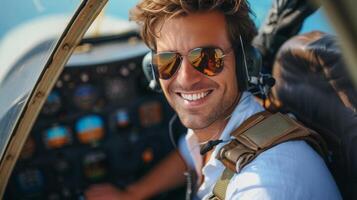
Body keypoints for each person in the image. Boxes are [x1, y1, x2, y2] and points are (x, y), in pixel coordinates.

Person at [85, 0, 341, 199]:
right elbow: (190, 156)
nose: (185, 78)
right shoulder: (222, 130)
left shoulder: (266, 185)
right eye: (168, 61)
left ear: (245, 64)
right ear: (152, 71)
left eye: (208, 59)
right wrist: (133, 194)